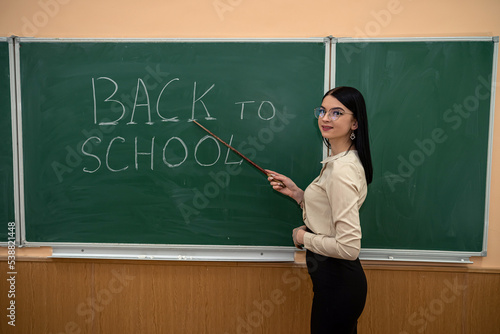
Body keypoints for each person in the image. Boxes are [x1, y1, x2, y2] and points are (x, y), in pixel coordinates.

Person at [267, 86, 373, 334]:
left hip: (339, 283)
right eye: (323, 111)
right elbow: (330, 213)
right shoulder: (340, 161)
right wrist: (298, 194)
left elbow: (348, 247)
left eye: (337, 113)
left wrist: (303, 237)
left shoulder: (342, 170)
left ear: (355, 123)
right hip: (334, 283)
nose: (325, 118)